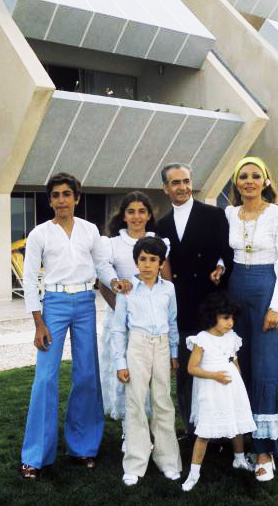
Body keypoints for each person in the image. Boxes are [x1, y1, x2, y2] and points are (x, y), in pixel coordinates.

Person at [20, 172, 130, 480]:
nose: (61, 200)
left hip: (84, 303)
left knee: (86, 374)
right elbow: (29, 278)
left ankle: (83, 447)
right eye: (55, 195)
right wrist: (38, 322)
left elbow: (101, 265)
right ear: (50, 201)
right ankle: (35, 456)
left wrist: (114, 282)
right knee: (45, 379)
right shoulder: (39, 234)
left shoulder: (89, 230)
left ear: (77, 198)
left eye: (66, 194)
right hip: (53, 304)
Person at [225, 156, 278, 481]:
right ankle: (241, 438)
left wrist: (275, 307)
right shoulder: (230, 214)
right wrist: (220, 265)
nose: (249, 181)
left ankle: (265, 451)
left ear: (266, 181)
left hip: (266, 291)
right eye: (243, 176)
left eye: (255, 176)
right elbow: (226, 250)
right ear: (236, 182)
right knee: (239, 362)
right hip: (235, 291)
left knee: (267, 365)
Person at [156, 163, 233, 437]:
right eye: (176, 182)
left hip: (210, 303)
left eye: (186, 181)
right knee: (187, 371)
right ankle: (192, 430)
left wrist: (220, 266)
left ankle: (222, 429)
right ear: (166, 188)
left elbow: (227, 252)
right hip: (182, 307)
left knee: (217, 366)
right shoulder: (161, 224)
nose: (183, 187)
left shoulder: (214, 215)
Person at [111, 236, 182, 486]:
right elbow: (118, 329)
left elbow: (172, 321)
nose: (148, 264)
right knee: (135, 403)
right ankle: (135, 463)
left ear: (161, 263)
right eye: (143, 259)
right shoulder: (127, 290)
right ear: (136, 262)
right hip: (137, 346)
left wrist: (174, 353)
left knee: (163, 402)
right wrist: (120, 363)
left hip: (161, 346)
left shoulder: (168, 289)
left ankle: (168, 461)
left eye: (153, 259)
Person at [98, 192, 165, 447]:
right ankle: (130, 430)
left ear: (149, 215)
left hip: (151, 321)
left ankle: (149, 429)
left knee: (148, 376)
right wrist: (123, 313)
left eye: (142, 211)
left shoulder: (160, 242)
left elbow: (166, 282)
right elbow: (103, 283)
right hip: (121, 321)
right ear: (123, 216)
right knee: (127, 375)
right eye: (131, 211)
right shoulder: (112, 245)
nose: (136, 216)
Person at [182, 293, 256, 491]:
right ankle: (194, 473)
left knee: (235, 424)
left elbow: (234, 360)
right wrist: (214, 375)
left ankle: (239, 459)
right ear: (212, 316)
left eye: (232, 318)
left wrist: (238, 382)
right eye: (225, 318)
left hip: (230, 387)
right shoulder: (202, 340)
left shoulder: (231, 337)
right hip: (211, 389)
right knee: (205, 432)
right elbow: (192, 368)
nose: (230, 323)